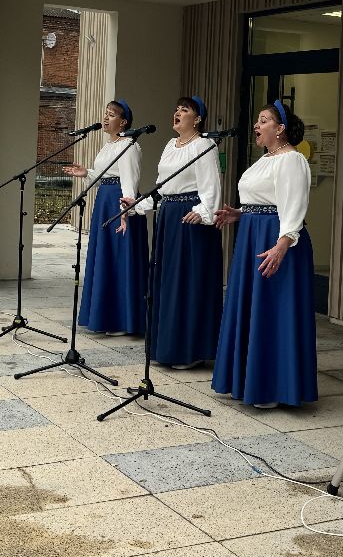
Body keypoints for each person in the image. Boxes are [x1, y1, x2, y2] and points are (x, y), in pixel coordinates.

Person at [212, 99, 317, 409]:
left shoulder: (291, 160)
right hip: (253, 236)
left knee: (271, 311)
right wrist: (240, 214)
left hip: (277, 240)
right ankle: (249, 380)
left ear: (280, 128)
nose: (256, 126)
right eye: (257, 121)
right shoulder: (266, 159)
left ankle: (272, 386)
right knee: (253, 308)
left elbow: (292, 205)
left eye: (264, 121)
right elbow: (265, 200)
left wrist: (283, 243)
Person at [125, 96, 222, 369]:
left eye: (185, 110)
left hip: (189, 219)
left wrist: (204, 212)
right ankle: (166, 346)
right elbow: (162, 187)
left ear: (198, 119)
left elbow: (211, 187)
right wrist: (140, 204)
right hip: (168, 216)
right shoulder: (170, 145)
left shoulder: (205, 146)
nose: (177, 113)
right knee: (167, 281)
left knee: (186, 282)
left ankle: (188, 349)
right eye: (176, 108)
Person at [63, 99, 148, 336]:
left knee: (119, 258)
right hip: (104, 201)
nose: (106, 117)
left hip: (119, 203)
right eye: (106, 113)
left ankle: (121, 319)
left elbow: (129, 180)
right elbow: (105, 176)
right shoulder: (108, 145)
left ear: (123, 122)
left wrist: (126, 212)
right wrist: (87, 173)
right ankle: (104, 315)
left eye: (112, 115)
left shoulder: (129, 145)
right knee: (105, 257)